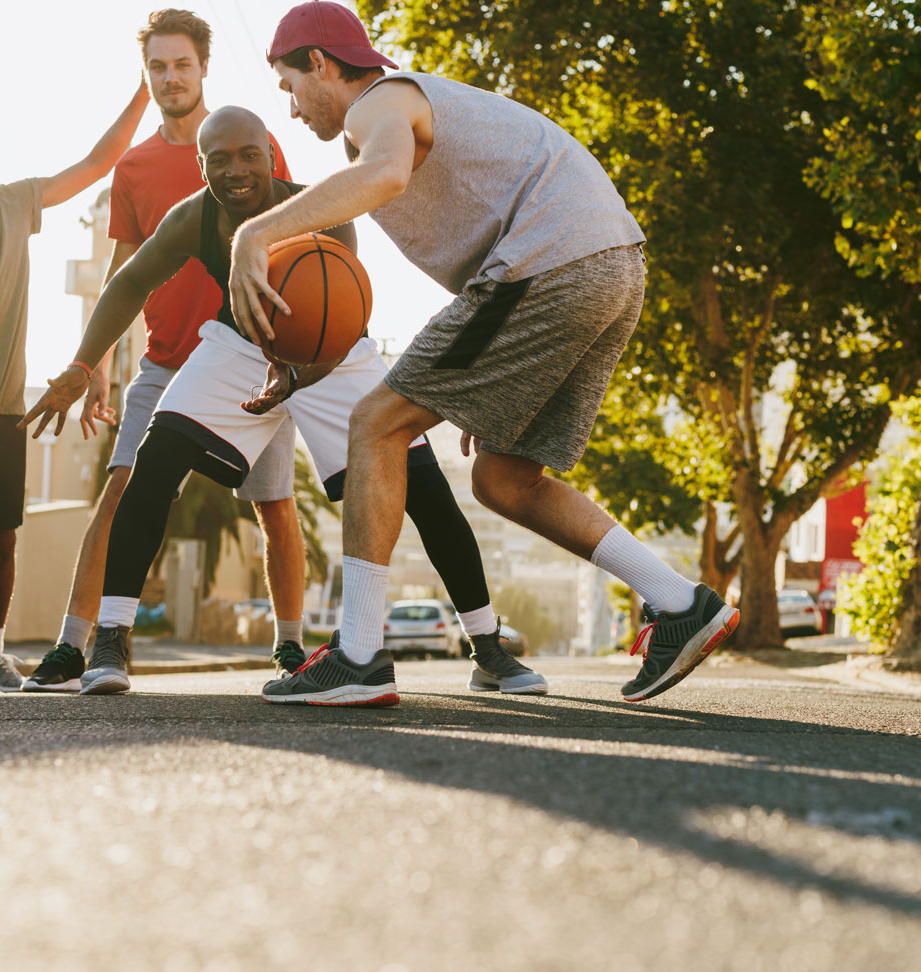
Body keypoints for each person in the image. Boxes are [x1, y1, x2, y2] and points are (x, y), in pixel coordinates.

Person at [227, 1, 741, 706]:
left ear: (319, 62)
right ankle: (681, 602)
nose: (290, 109)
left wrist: (253, 234)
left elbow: (384, 176)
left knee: (373, 424)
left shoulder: (380, 103)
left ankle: (359, 654)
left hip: (546, 265)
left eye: (289, 85)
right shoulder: (404, 112)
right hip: (610, 268)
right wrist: (483, 382)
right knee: (504, 479)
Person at [20, 105, 549, 703]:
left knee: (423, 484)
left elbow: (342, 314)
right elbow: (128, 283)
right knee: (154, 461)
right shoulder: (193, 219)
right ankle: (111, 639)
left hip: (332, 352)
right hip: (239, 344)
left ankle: (487, 647)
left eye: (249, 155)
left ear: (272, 157)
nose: (236, 169)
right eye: (218, 159)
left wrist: (299, 374)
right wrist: (80, 365)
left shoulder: (323, 209)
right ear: (201, 168)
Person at [22, 9, 302, 694]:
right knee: (119, 492)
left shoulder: (249, 145)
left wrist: (290, 352)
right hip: (166, 360)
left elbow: (292, 241)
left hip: (251, 360)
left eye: (181, 63)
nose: (170, 77)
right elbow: (125, 271)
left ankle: (292, 647)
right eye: (157, 67)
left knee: (275, 506)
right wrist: (98, 368)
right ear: (145, 76)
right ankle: (77, 644)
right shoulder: (136, 167)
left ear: (204, 66)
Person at [0, 14, 150, 697]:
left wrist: (145, 89)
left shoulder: (18, 203)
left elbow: (97, 162)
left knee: (2, 535)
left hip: (4, 399)